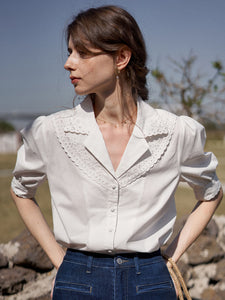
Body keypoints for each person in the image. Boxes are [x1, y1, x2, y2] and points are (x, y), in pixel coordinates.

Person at [11, 5, 223, 300]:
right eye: (69, 51)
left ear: (121, 57)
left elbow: (211, 192)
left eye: (83, 53)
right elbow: (21, 190)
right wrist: (61, 260)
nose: (68, 63)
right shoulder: (51, 132)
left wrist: (171, 256)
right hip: (76, 279)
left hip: (151, 279)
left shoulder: (175, 132)